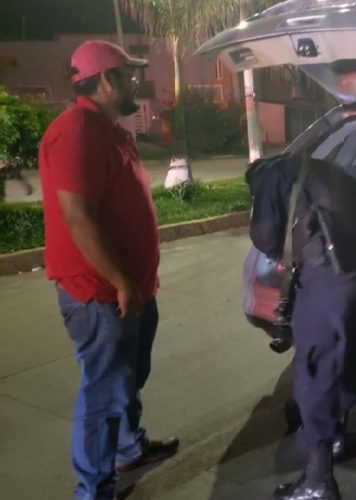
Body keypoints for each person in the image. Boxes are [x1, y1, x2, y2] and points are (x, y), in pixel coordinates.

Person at [38, 40, 179, 500]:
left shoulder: (108, 130)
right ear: (105, 79)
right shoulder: (76, 130)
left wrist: (136, 282)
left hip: (130, 289)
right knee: (104, 394)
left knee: (128, 379)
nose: (136, 82)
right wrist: (121, 282)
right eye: (128, 74)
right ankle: (94, 490)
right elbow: (78, 217)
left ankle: (128, 449)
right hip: (99, 294)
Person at [246, 152, 356, 500]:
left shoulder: (268, 178)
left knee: (314, 368)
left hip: (328, 277)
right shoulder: (324, 169)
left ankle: (318, 482)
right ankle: (335, 437)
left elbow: (264, 236)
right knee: (344, 355)